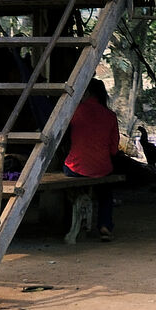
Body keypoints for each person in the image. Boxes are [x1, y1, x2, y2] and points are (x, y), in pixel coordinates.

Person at [64, 78, 123, 240]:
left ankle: (68, 222)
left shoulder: (74, 110)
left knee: (66, 170)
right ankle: (105, 225)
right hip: (102, 168)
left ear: (87, 92)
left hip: (76, 167)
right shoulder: (110, 115)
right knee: (106, 190)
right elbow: (113, 149)